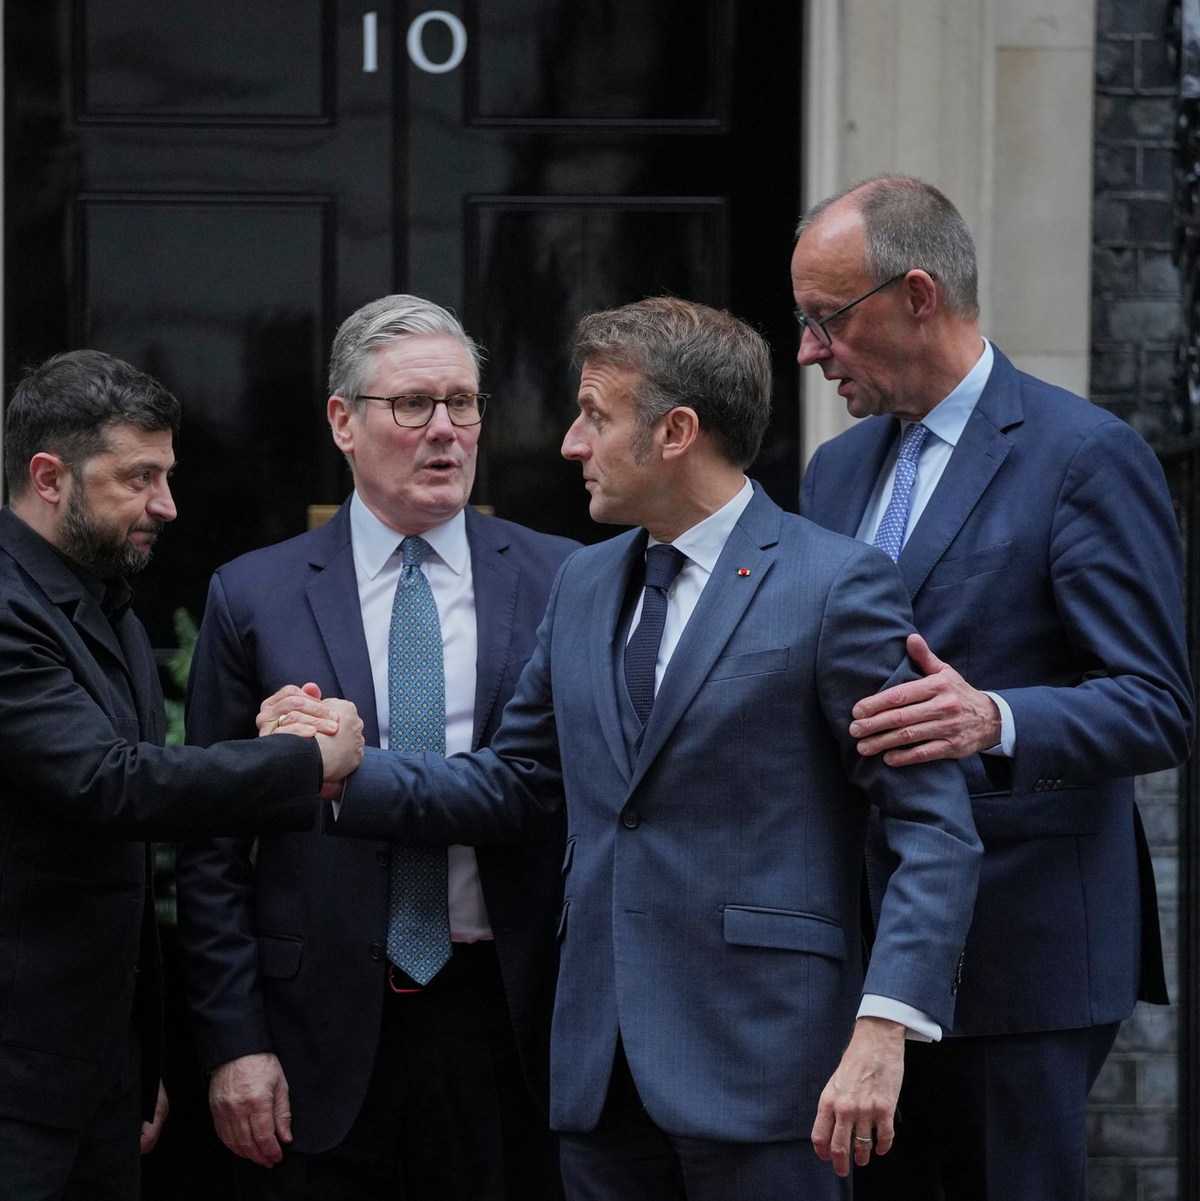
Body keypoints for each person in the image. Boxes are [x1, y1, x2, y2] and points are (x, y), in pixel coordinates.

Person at [270, 296, 982, 1201]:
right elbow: (516, 781)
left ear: (676, 431)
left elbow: (933, 830)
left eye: (596, 416)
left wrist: (885, 1028)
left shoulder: (836, 584)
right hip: (599, 1072)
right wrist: (347, 772)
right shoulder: (584, 579)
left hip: (772, 1071)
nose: (570, 443)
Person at [794, 175, 1194, 1200]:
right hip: (866, 953)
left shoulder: (1083, 456)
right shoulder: (833, 474)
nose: (808, 349)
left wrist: (994, 716)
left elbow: (1157, 702)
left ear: (917, 295)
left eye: (825, 319)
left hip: (1025, 954)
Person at [173, 295, 578, 1200]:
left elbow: (553, 791)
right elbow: (210, 847)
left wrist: (347, 775)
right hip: (316, 1025)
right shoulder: (254, 594)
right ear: (343, 421)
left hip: (509, 1017)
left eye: (463, 402)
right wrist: (234, 1041)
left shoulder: (564, 581)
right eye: (413, 405)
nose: (447, 430)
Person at [0, 350, 362, 1201]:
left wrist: (133, 1055)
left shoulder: (102, 600)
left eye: (167, 475)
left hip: (89, 1077)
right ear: (50, 477)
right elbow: (113, 784)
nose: (167, 505)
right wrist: (305, 759)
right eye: (140, 478)